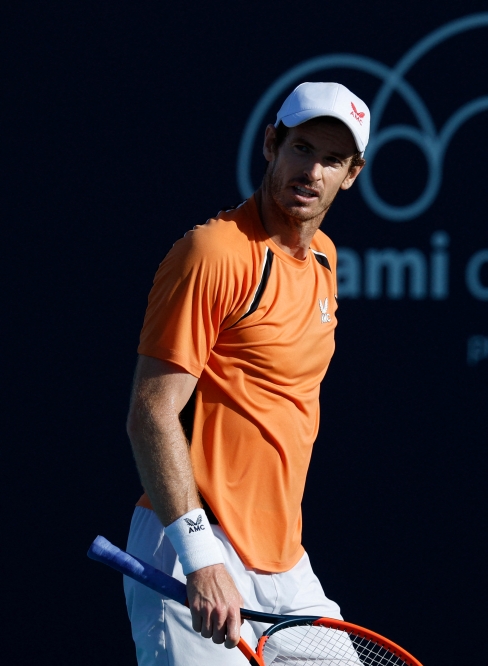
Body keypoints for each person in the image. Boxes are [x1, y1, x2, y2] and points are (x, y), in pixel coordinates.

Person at [124, 81, 368, 665]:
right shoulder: (214, 254)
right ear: (270, 145)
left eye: (331, 159)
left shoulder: (326, 261)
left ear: (351, 174)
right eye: (302, 148)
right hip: (195, 545)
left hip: (284, 560)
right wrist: (200, 557)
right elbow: (151, 412)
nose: (311, 171)